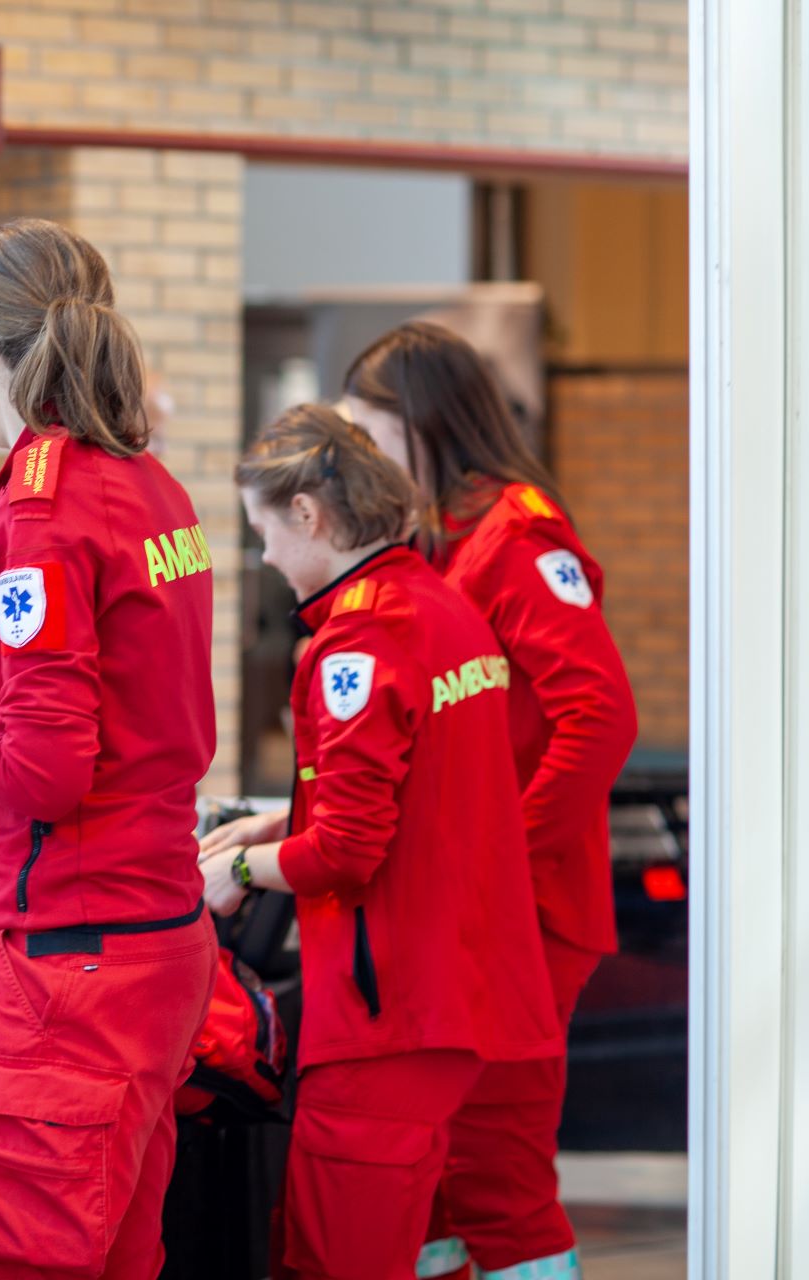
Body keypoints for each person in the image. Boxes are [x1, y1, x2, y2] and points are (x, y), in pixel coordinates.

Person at [0, 217, 219, 1280]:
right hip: (155, 935)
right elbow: (113, 725)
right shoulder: (151, 485)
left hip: (73, 960)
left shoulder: (44, 509)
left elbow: (52, 771)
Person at [199, 406, 560, 1280]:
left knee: (337, 1260)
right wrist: (277, 821)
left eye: (264, 533)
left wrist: (236, 871)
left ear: (309, 517)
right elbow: (422, 791)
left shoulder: (356, 641)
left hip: (389, 1014)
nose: (268, 558)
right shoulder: (435, 605)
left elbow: (352, 852)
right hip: (457, 990)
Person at [343, 322, 637, 1280]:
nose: (360, 458)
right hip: (471, 913)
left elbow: (600, 718)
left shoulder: (518, 535)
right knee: (440, 1174)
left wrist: (501, 854)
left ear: (425, 426)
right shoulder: (444, 540)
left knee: (496, 1173)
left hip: (526, 914)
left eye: (371, 433)